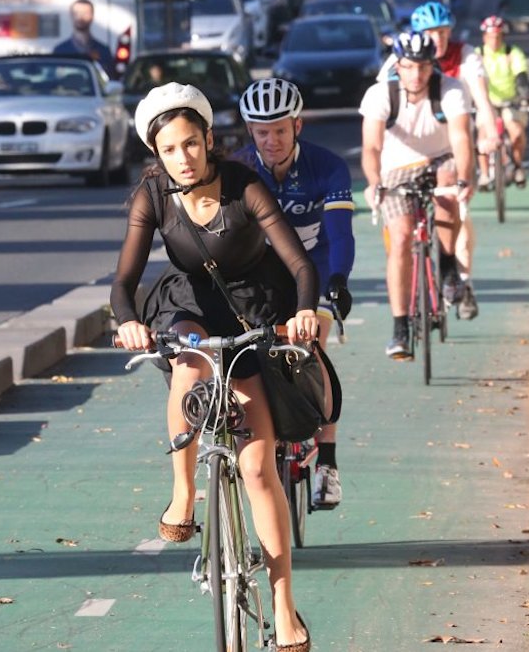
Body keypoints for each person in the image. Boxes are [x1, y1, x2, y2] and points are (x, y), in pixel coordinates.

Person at [110, 81, 315, 651]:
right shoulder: (152, 194)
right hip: (188, 305)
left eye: (190, 144)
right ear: (156, 153)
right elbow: (123, 283)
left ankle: (283, 606)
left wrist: (304, 311)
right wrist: (128, 321)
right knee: (189, 360)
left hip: (253, 308)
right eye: (169, 149)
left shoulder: (244, 186)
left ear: (207, 139)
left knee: (258, 468)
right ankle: (183, 493)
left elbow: (300, 265)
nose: (182, 158)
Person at [238, 78, 355, 511]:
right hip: (262, 274)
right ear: (250, 131)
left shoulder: (328, 167)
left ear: (297, 126)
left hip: (317, 268)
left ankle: (328, 463)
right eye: (262, 132)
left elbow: (340, 235)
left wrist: (338, 279)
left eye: (280, 131)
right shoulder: (238, 169)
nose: (272, 141)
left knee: (311, 348)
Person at [360, 31, 474, 359]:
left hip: (441, 159)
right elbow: (372, 147)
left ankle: (448, 267)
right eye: (409, 67)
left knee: (449, 183)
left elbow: (461, 139)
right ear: (397, 65)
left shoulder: (451, 89)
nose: (416, 75)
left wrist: (464, 179)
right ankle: (400, 328)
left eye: (423, 67)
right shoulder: (380, 95)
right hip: (396, 167)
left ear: (432, 65)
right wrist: (374, 182)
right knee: (400, 238)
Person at [409, 1, 500, 322]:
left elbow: (482, 100)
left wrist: (489, 131)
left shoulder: (465, 56)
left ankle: (462, 279)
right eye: (431, 33)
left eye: (443, 32)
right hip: (415, 148)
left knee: (458, 212)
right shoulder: (405, 58)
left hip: (455, 146)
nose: (438, 39)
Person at [476, 15, 529, 189]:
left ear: (503, 37)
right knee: (483, 135)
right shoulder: (478, 55)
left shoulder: (512, 52)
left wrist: (526, 94)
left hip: (511, 100)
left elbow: (521, 75)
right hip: (486, 102)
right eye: (490, 37)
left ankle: (518, 166)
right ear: (484, 37)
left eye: (498, 37)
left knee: (516, 132)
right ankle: (484, 174)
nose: (494, 41)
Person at [53, 0, 116, 78]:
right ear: (71, 16)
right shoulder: (60, 51)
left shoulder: (103, 51)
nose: (81, 17)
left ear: (92, 16)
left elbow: (111, 80)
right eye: (76, 13)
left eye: (85, 13)